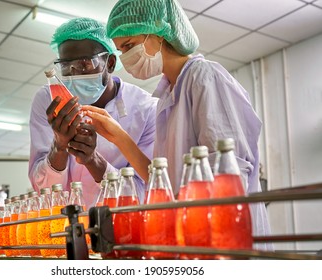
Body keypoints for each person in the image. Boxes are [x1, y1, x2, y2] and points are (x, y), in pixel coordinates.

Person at [82, 0, 272, 249]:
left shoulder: (205, 77)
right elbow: (163, 180)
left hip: (226, 240)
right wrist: (120, 138)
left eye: (129, 46)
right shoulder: (167, 96)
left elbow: (228, 170)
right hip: (192, 240)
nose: (126, 58)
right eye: (121, 50)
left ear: (159, 31)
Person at [28, 17, 158, 207]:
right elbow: (43, 190)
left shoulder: (145, 109)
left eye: (84, 64)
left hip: (118, 225)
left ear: (110, 63)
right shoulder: (48, 100)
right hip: (65, 226)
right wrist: (59, 146)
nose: (74, 74)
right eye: (66, 66)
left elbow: (146, 193)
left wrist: (93, 161)